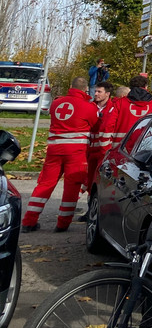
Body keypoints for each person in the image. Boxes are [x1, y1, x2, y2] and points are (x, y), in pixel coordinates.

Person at [22, 77, 98, 233]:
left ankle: (29, 221)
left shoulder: (57, 102)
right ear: (85, 89)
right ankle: (62, 224)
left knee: (44, 184)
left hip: (54, 150)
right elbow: (95, 125)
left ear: (71, 86)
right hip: (76, 152)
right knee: (72, 186)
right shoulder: (88, 106)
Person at [85, 80, 119, 191]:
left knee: (101, 180)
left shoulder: (113, 108)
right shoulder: (90, 106)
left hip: (104, 150)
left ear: (107, 94)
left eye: (99, 92)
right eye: (95, 91)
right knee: (87, 179)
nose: (95, 94)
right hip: (89, 150)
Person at [115, 74, 152, 143]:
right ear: (146, 87)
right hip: (146, 145)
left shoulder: (120, 103)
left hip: (120, 144)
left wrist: (106, 146)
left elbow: (109, 124)